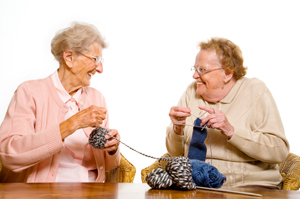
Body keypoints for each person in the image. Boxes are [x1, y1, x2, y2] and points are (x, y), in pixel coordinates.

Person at [0, 22, 120, 183]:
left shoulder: (96, 98)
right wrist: (72, 124)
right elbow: (10, 154)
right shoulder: (29, 92)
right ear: (69, 58)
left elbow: (110, 166)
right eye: (95, 59)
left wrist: (112, 148)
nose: (100, 69)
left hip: (93, 192)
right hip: (43, 193)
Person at [166, 37, 289, 189]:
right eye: (195, 69)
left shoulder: (254, 90)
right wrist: (177, 130)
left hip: (251, 186)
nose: (195, 76)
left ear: (228, 73)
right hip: (198, 186)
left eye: (202, 70)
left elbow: (279, 152)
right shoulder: (191, 91)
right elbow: (175, 154)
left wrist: (232, 131)